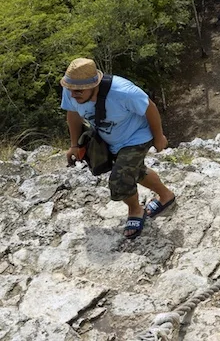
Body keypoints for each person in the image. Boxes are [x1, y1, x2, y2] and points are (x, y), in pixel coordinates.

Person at [61, 58, 175, 240]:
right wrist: (74, 145)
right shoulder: (72, 90)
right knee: (135, 171)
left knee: (120, 179)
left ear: (94, 85)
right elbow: (72, 114)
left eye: (79, 91)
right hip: (109, 139)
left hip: (136, 136)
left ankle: (135, 211)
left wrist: (159, 137)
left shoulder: (123, 92)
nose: (73, 95)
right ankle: (166, 196)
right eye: (71, 90)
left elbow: (150, 108)